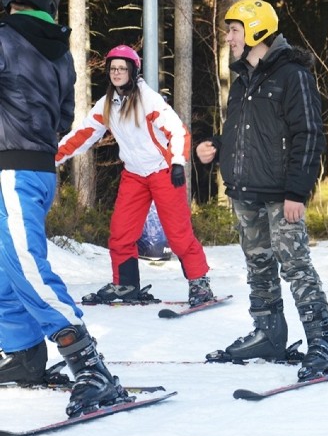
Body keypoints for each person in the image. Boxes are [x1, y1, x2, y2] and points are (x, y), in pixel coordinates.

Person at [0, 0, 130, 416]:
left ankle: (88, 364)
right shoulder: (60, 50)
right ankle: (21, 355)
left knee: (28, 269)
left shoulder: (3, 37)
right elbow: (60, 119)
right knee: (5, 271)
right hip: (34, 168)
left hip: (11, 171)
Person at [195, 0, 328, 381]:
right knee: (258, 266)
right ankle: (269, 333)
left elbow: (308, 134)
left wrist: (297, 191)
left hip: (282, 193)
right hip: (246, 189)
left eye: (234, 30)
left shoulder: (292, 75)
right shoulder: (243, 76)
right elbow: (248, 132)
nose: (228, 37)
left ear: (257, 31)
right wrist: (217, 145)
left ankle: (323, 343)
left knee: (295, 266)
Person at [56, 45, 215, 306]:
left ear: (133, 71)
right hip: (134, 175)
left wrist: (177, 162)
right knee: (121, 232)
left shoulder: (148, 99)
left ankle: (200, 283)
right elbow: (84, 134)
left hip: (163, 171)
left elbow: (178, 130)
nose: (117, 73)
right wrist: (52, 156)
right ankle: (125, 285)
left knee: (178, 233)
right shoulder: (107, 103)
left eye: (122, 68)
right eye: (113, 68)